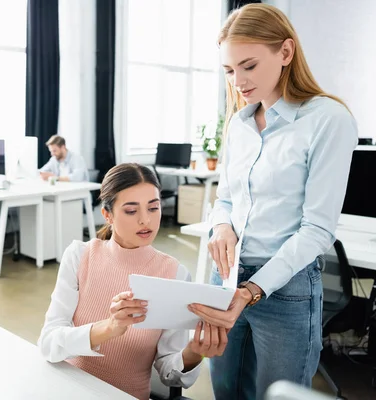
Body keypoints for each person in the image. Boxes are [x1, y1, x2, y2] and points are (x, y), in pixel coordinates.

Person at [186, 4, 358, 399]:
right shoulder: (239, 123)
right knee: (226, 387)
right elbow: (225, 198)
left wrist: (252, 290)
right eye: (229, 71)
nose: (238, 82)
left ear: (285, 53)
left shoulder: (327, 119)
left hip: (286, 288)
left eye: (249, 66)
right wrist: (222, 225)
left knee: (276, 393)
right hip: (226, 278)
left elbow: (316, 230)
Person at [38, 163, 228, 399]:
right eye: (131, 211)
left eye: (153, 208)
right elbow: (48, 343)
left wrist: (193, 353)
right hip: (69, 391)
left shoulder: (174, 273)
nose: (145, 220)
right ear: (107, 214)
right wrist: (108, 328)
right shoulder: (79, 256)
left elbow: (170, 374)